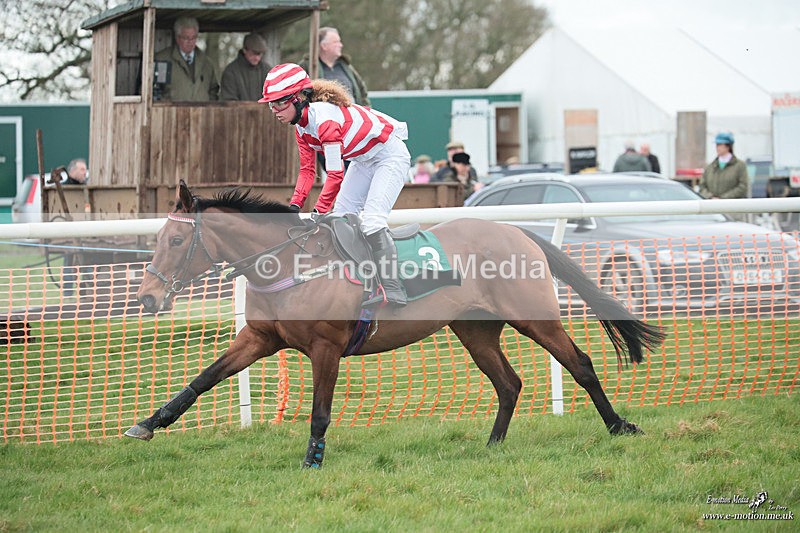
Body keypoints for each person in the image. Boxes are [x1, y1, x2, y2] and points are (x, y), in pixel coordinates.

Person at [259, 63, 410, 306]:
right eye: (270, 104)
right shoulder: (301, 127)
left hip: (389, 157)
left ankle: (394, 289)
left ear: (298, 98)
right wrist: (294, 208)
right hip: (363, 159)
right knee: (340, 219)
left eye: (279, 102)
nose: (274, 109)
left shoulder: (325, 121)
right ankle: (364, 282)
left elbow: (335, 174)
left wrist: (318, 212)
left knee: (371, 221)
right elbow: (307, 171)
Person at [299, 27, 369, 106]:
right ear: (324, 46)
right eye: (336, 42)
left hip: (351, 115)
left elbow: (362, 92)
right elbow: (298, 93)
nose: (341, 45)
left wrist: (367, 111)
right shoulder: (307, 66)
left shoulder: (346, 66)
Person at [154, 17, 219, 102]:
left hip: (201, 114)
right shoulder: (163, 61)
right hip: (171, 114)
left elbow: (213, 91)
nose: (190, 42)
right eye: (186, 38)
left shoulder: (206, 63)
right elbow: (154, 92)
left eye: (194, 37)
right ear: (177, 38)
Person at [220, 33, 271, 101]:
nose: (257, 58)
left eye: (259, 54)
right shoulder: (231, 72)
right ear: (244, 50)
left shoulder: (267, 70)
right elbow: (229, 101)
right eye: (253, 53)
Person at [699, 132, 749, 200]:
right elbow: (702, 186)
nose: (717, 147)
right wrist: (710, 197)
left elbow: (742, 187)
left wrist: (723, 198)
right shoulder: (710, 167)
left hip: (733, 207)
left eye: (720, 145)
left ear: (728, 146)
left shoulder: (740, 166)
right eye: (717, 145)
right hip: (713, 207)